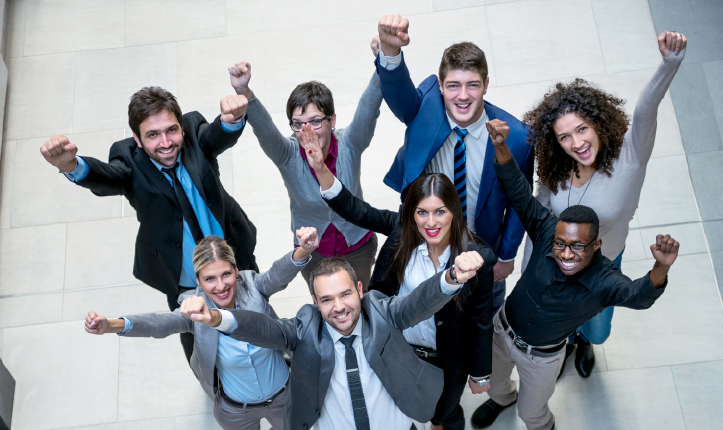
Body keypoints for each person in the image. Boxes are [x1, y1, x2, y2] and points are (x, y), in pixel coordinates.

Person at [469, 120, 680, 430]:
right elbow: (517, 190)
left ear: (596, 245)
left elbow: (639, 296)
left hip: (541, 358)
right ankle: (502, 400)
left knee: (532, 414)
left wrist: (661, 267)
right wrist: (500, 145)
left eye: (578, 246)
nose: (566, 254)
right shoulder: (546, 230)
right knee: (496, 384)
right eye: (561, 244)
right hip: (501, 333)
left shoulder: (604, 280)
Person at [301, 123, 497, 430]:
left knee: (444, 414)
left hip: (449, 357)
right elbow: (356, 210)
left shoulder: (476, 257)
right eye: (422, 212)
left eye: (440, 212)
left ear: (454, 212)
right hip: (397, 348)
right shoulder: (402, 232)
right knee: (401, 406)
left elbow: (481, 319)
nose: (430, 222)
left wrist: (481, 372)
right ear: (411, 214)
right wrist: (321, 169)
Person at [41, 86, 258, 363]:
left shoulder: (193, 130)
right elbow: (108, 176)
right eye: (152, 135)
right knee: (195, 335)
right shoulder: (128, 158)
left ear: (181, 127)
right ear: (137, 138)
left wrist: (231, 119)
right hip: (182, 277)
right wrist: (70, 166)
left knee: (255, 313)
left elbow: (216, 135)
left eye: (171, 130)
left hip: (234, 254)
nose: (166, 143)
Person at [521, 31, 688, 378]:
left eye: (582, 129)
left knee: (598, 331)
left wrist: (669, 64)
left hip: (604, 263)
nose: (576, 143)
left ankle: (584, 341)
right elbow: (539, 218)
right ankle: (567, 341)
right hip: (557, 261)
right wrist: (528, 271)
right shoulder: (556, 167)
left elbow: (646, 109)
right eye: (564, 136)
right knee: (556, 320)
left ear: (597, 123)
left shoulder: (630, 157)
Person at [183, 253, 485, 430]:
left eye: (345, 294)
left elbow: (417, 302)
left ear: (359, 289)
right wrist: (217, 318)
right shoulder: (305, 328)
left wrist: (452, 277)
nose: (339, 307)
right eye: (326, 299)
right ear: (315, 302)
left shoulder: (381, 312)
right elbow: (264, 328)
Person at [372, 14, 533, 314]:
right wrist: (390, 50)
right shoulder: (425, 106)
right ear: (441, 86)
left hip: (480, 245)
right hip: (427, 239)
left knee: (484, 313)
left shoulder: (518, 138)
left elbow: (520, 203)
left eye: (472, 85)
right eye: (453, 85)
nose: (462, 96)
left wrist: (506, 255)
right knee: (427, 311)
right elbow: (399, 95)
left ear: (486, 84)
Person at [84, 229, 319, 430]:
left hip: (285, 396)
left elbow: (279, 274)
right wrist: (111, 325)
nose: (221, 286)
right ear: (198, 281)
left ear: (236, 271)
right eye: (210, 279)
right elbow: (160, 323)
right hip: (237, 410)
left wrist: (304, 249)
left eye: (226, 274)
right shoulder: (196, 310)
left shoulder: (253, 287)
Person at [228, 60, 382, 289]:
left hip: (357, 246)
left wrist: (384, 63)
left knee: (360, 299)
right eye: (298, 124)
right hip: (313, 252)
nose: (306, 131)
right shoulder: (287, 154)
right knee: (325, 303)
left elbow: (368, 110)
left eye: (315, 121)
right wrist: (243, 90)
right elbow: (264, 129)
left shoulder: (349, 144)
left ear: (332, 120)